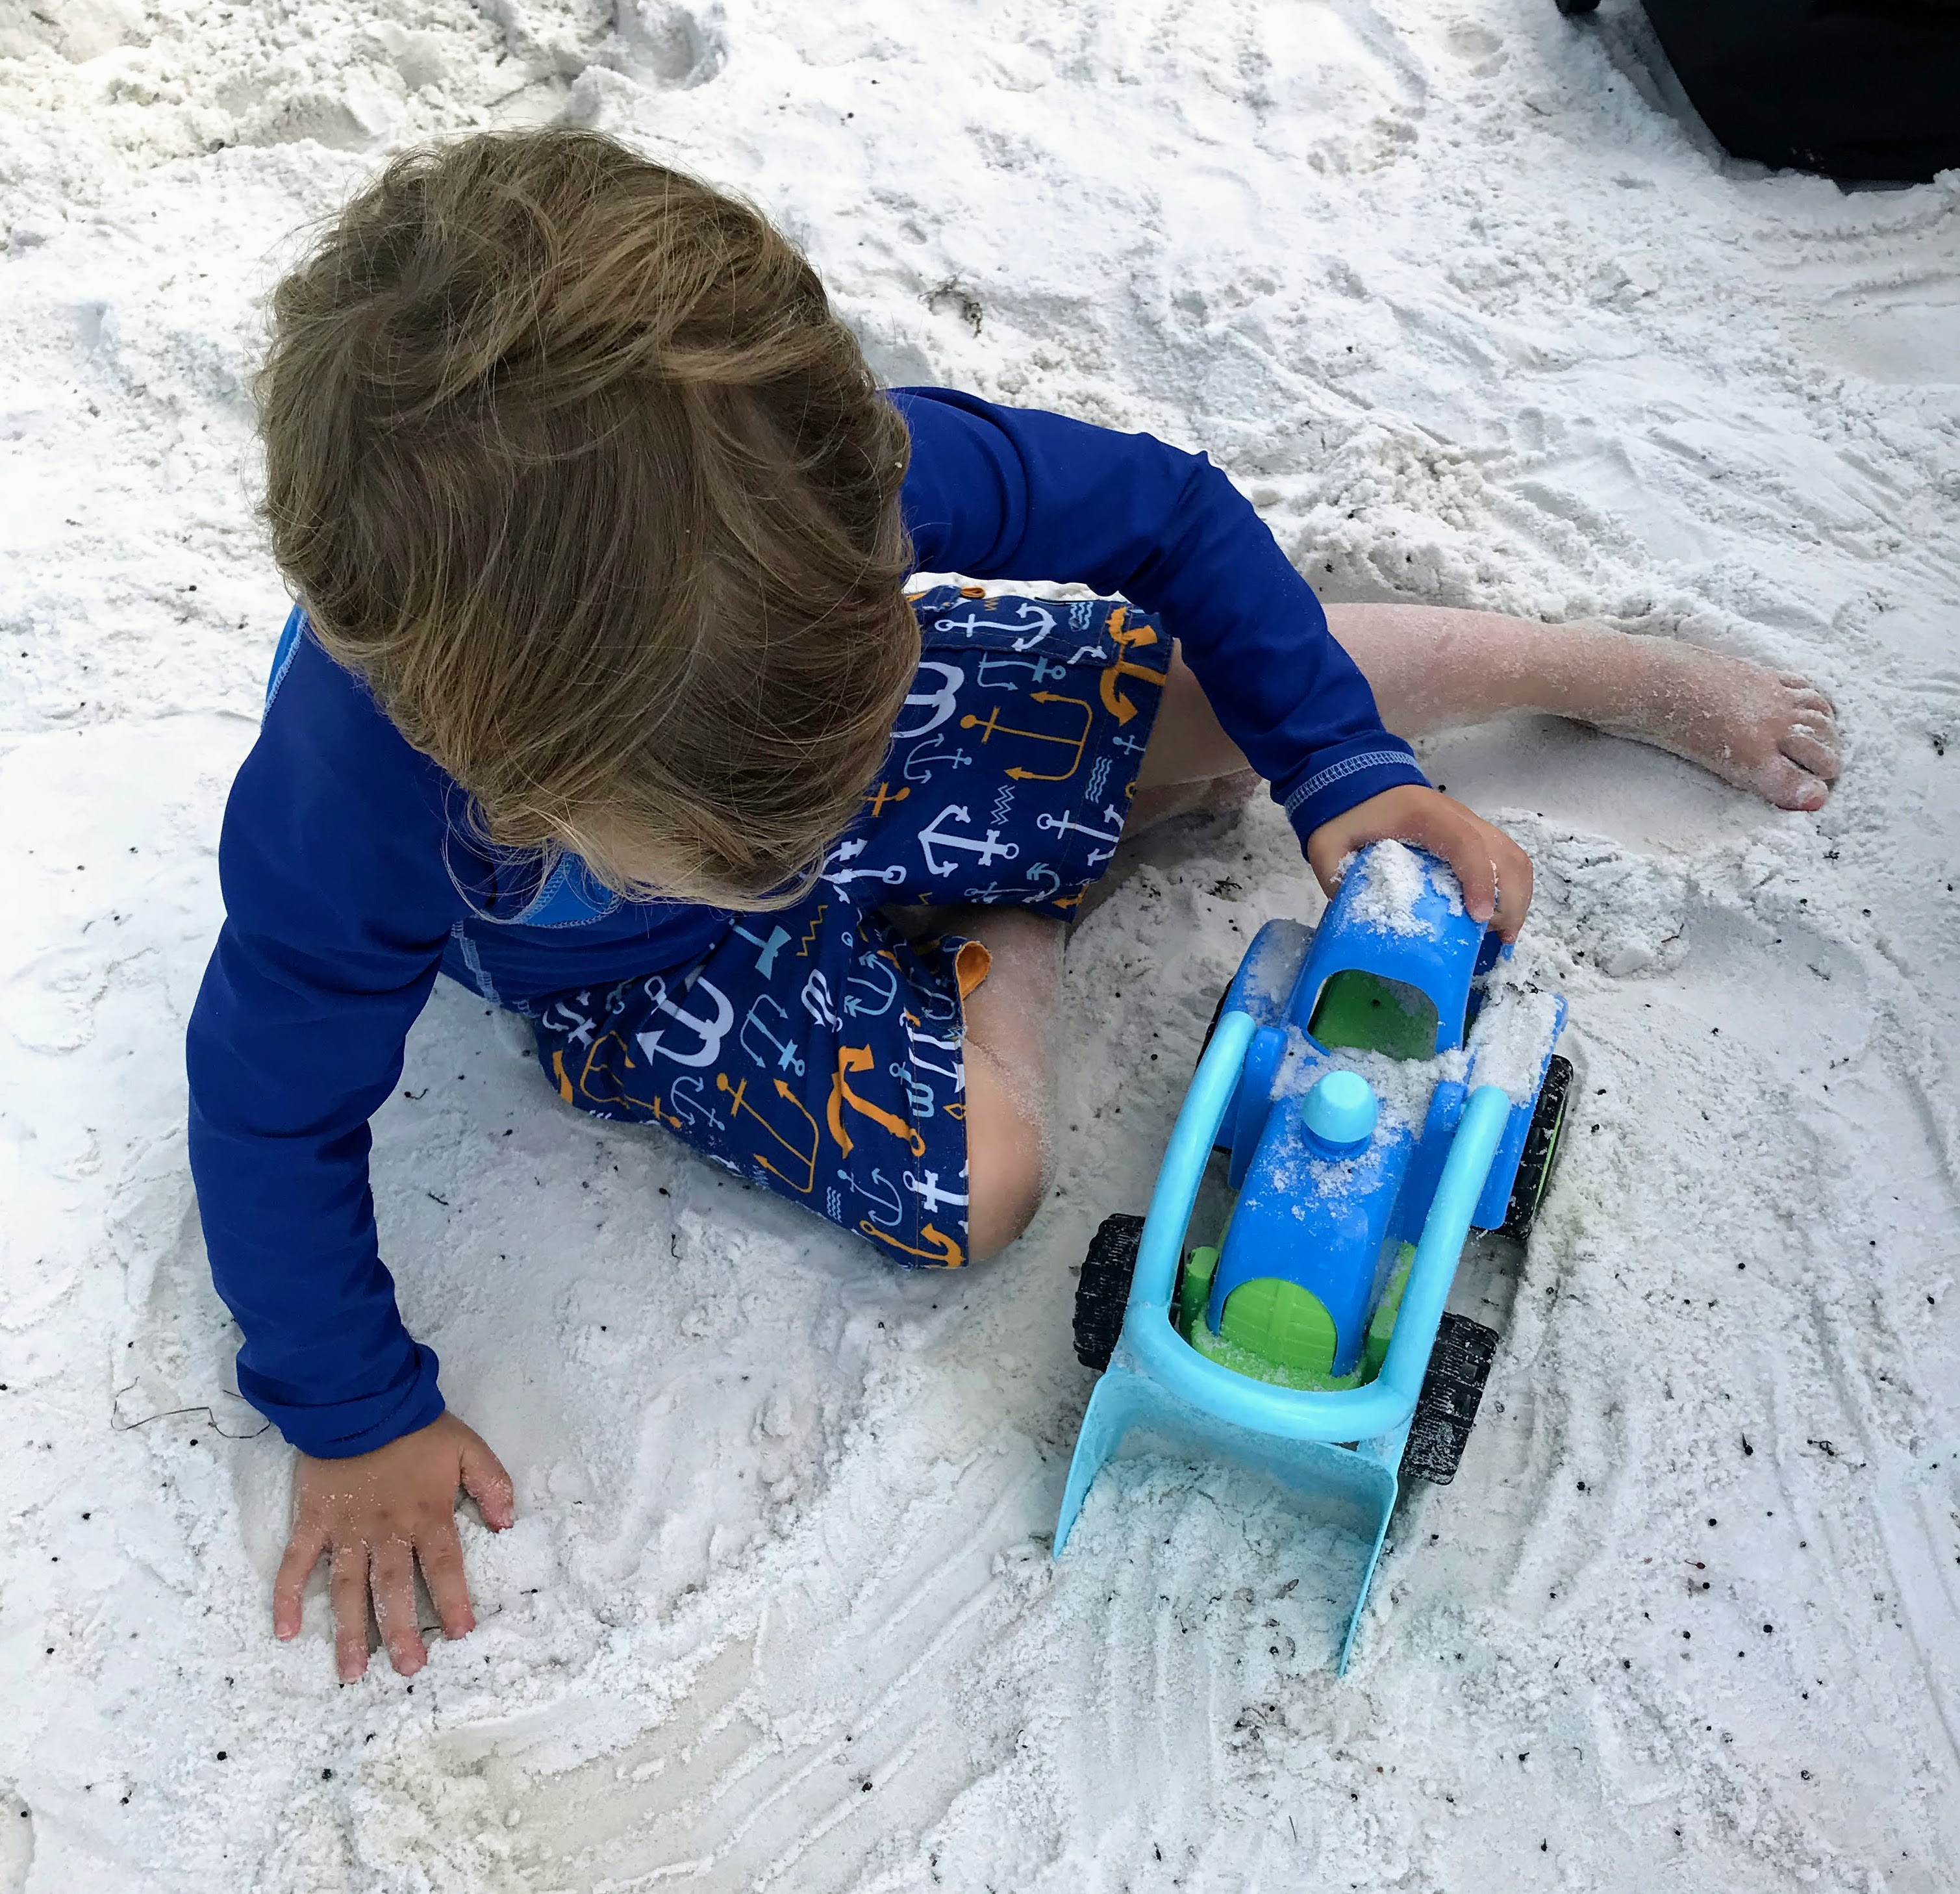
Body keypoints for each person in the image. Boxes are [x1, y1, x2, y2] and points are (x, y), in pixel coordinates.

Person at [186, 129, 1839, 1684]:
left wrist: (1340, 767)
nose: (815, 843)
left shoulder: (822, 497)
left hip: (819, 699)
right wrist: (351, 1412)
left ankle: (1573, 666)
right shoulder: (355, 800)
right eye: (761, 837)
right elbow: (267, 1108)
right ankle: (1017, 934)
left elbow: (1174, 517)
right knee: (982, 1188)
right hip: (631, 965)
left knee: (1201, 697)